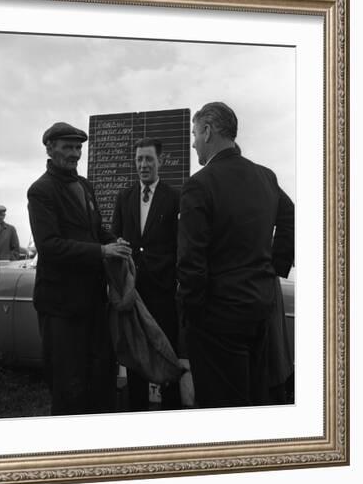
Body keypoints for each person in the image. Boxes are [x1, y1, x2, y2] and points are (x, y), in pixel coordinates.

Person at [177, 102, 294, 408]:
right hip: (260, 309)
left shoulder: (199, 185)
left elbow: (190, 261)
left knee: (220, 407)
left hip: (216, 320)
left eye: (194, 134)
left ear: (207, 131)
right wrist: (274, 267)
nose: (193, 143)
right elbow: (289, 214)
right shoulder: (265, 177)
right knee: (252, 398)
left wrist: (192, 315)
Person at [27, 121, 132, 416]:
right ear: (49, 149)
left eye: (78, 148)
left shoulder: (85, 185)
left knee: (99, 382)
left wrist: (116, 242)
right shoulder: (40, 191)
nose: (74, 154)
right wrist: (102, 251)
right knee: (68, 387)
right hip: (60, 309)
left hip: (93, 305)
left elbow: (95, 229)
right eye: (68, 147)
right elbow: (50, 246)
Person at [111, 138, 182, 411]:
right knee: (137, 357)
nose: (143, 165)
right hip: (134, 294)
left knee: (166, 352)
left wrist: (172, 278)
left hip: (163, 292)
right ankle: (137, 415)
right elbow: (117, 238)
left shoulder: (175, 197)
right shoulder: (124, 196)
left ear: (159, 161)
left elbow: (180, 244)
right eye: (139, 159)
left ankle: (171, 417)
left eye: (149, 159)